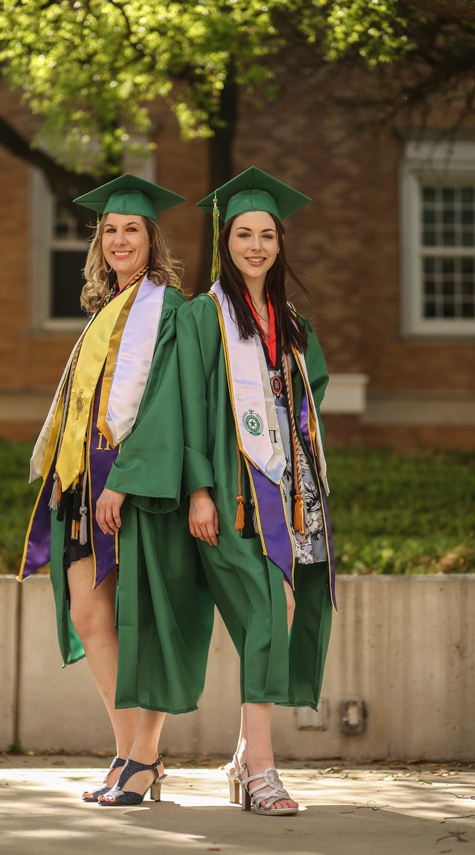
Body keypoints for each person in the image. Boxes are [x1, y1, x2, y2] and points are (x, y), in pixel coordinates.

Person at [19, 174, 213, 807]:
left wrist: (126, 482)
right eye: (111, 230)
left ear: (152, 239)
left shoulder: (174, 310)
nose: (121, 239)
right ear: (99, 243)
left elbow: (169, 407)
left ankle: (143, 759)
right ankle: (131, 753)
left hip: (138, 485)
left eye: (133, 229)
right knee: (89, 614)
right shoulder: (104, 313)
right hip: (82, 481)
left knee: (146, 617)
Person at [177, 166, 336, 816]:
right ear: (227, 241)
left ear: (279, 242)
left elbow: (311, 391)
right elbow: (189, 405)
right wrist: (200, 490)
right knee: (269, 612)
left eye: (266, 234)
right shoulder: (201, 317)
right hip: (232, 499)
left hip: (288, 496)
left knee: (283, 614)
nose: (256, 245)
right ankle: (262, 768)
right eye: (244, 233)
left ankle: (247, 756)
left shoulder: (291, 321)